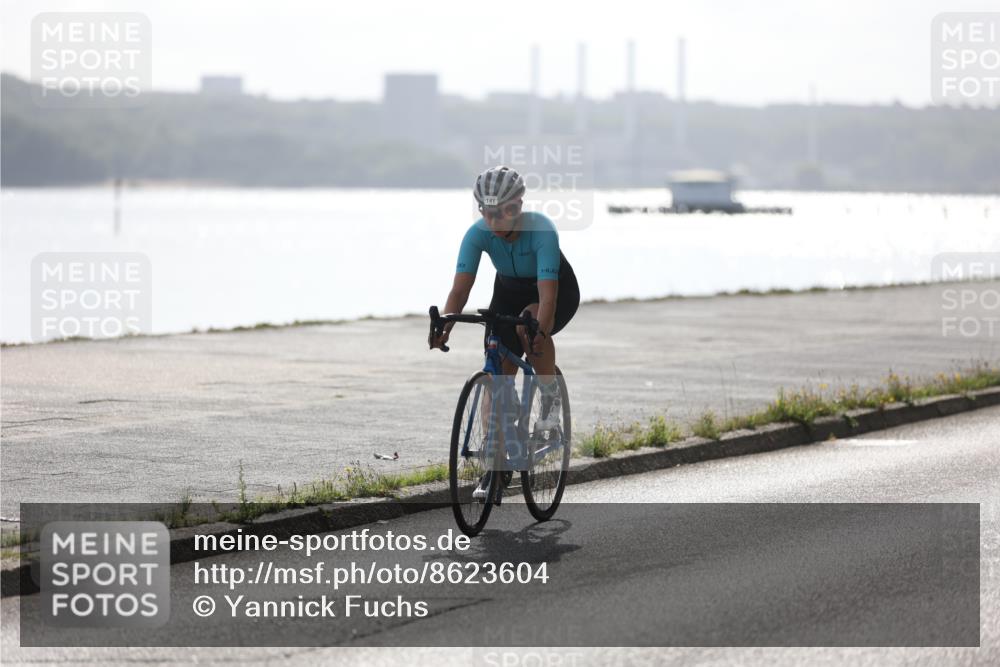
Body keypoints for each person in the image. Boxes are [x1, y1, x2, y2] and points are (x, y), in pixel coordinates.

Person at [430, 164, 580, 436]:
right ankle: (494, 449)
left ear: (518, 206)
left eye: (503, 212)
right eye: (486, 212)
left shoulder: (542, 230)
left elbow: (548, 297)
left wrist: (540, 333)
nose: (494, 221)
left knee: (529, 327)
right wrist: (444, 326)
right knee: (498, 368)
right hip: (508, 292)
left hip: (553, 292)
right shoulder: (476, 234)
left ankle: (550, 395)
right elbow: (459, 292)